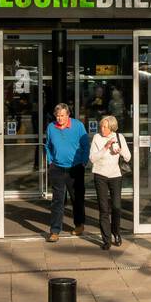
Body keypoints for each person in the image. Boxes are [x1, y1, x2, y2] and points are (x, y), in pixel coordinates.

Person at [44, 102, 89, 242]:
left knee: (77, 198)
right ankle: (55, 231)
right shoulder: (51, 127)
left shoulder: (78, 126)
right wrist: (50, 161)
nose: (59, 118)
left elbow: (86, 144)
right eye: (57, 116)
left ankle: (79, 224)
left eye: (62, 115)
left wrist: (84, 161)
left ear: (68, 115)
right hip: (57, 168)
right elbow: (48, 146)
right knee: (57, 200)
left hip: (75, 168)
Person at [89, 115, 131, 250]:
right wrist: (105, 147)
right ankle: (106, 239)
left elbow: (128, 157)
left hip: (115, 175)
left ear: (112, 128)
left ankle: (116, 233)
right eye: (101, 126)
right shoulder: (97, 138)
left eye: (105, 127)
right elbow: (92, 158)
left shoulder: (119, 137)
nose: (102, 129)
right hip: (100, 175)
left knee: (116, 207)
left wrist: (120, 150)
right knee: (103, 209)